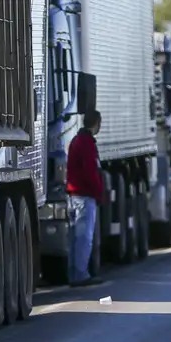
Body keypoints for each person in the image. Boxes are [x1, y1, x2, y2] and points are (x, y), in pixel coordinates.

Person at [66, 110, 105, 286]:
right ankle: (81, 274)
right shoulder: (87, 143)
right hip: (85, 196)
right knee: (85, 238)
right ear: (96, 123)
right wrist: (98, 192)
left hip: (74, 195)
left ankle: (74, 273)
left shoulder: (76, 141)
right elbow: (91, 171)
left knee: (75, 238)